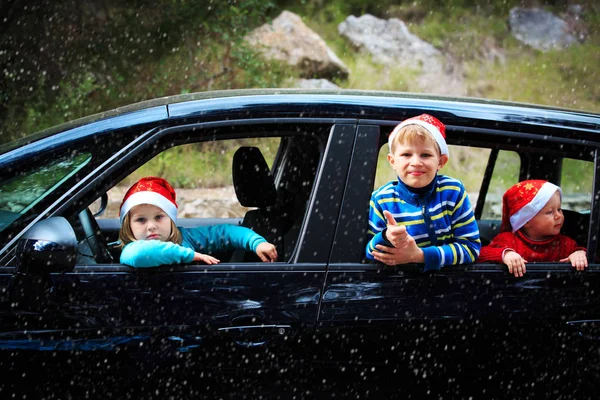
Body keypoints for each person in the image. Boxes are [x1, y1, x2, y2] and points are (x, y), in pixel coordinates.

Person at [365, 114, 481, 271]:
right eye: (406, 154)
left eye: (425, 155)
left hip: (448, 286)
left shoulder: (453, 192)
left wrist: (419, 256)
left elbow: (471, 248)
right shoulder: (381, 199)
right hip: (397, 286)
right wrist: (386, 237)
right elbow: (370, 253)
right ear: (392, 161)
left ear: (441, 161)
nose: (416, 162)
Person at [118, 176, 278, 268]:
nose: (151, 226)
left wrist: (255, 242)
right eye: (141, 220)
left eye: (159, 217)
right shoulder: (130, 249)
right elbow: (141, 254)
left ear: (171, 220)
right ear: (128, 226)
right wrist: (191, 255)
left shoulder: (185, 237)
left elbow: (225, 233)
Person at [478, 179, 587, 277]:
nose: (558, 216)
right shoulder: (508, 241)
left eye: (559, 209)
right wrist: (505, 254)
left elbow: (591, 258)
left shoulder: (565, 244)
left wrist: (579, 254)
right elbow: (479, 254)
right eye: (550, 212)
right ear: (526, 221)